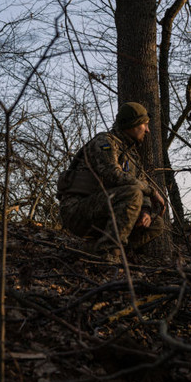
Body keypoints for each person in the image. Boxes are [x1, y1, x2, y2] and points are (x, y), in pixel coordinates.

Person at [56, 102, 166, 262]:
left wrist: (146, 210)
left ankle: (99, 249)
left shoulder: (133, 156)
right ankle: (108, 255)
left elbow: (140, 182)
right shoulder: (105, 142)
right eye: (145, 125)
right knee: (133, 193)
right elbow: (112, 175)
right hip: (77, 210)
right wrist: (152, 191)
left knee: (157, 223)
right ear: (133, 125)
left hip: (104, 210)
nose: (148, 130)